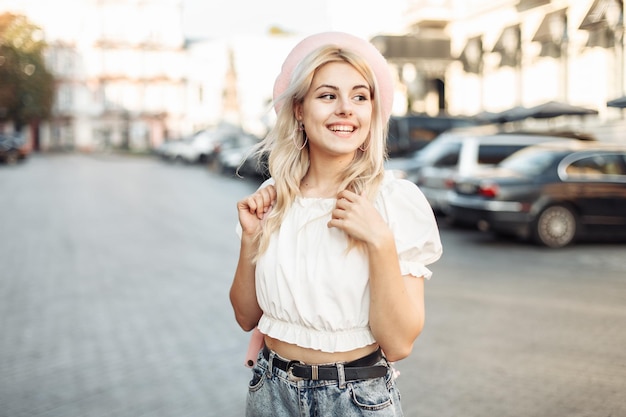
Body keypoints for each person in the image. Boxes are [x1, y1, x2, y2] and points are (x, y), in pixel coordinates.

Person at [230, 31, 443, 417]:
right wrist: (251, 239)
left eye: (360, 97)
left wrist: (379, 240)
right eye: (328, 95)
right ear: (299, 109)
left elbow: (397, 345)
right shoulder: (274, 198)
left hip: (355, 400)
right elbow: (247, 317)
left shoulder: (394, 202)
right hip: (270, 391)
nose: (346, 108)